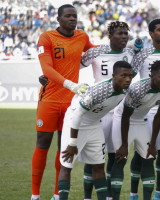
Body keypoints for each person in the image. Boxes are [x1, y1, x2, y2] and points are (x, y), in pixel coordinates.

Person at [31, 4, 94, 200]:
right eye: (68, 16)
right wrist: (70, 84)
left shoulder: (82, 37)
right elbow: (47, 69)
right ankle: (35, 195)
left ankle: (58, 194)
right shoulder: (47, 37)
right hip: (49, 98)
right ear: (58, 19)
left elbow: (96, 53)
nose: (72, 19)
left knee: (63, 146)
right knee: (42, 144)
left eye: (74, 16)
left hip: (70, 103)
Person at [58, 61, 134, 200]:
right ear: (114, 76)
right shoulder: (100, 90)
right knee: (67, 165)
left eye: (130, 76)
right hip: (75, 123)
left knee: (99, 166)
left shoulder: (126, 91)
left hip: (94, 125)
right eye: (124, 75)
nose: (128, 79)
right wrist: (73, 143)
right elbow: (77, 114)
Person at [79, 21, 135, 200]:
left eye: (126, 33)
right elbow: (73, 64)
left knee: (115, 155)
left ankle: (110, 196)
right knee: (93, 155)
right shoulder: (96, 52)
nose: (124, 37)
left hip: (121, 113)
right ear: (110, 36)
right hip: (99, 112)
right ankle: (88, 197)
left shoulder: (132, 53)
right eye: (119, 33)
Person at [130, 18, 160, 200]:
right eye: (159, 30)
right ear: (151, 34)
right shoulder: (142, 55)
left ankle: (159, 193)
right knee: (142, 154)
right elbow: (129, 75)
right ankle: (134, 193)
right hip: (144, 110)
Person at [110, 60, 160, 200]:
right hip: (122, 119)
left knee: (149, 158)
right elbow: (126, 116)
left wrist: (152, 144)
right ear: (152, 76)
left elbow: (158, 117)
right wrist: (125, 145)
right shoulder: (137, 88)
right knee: (121, 158)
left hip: (142, 121)